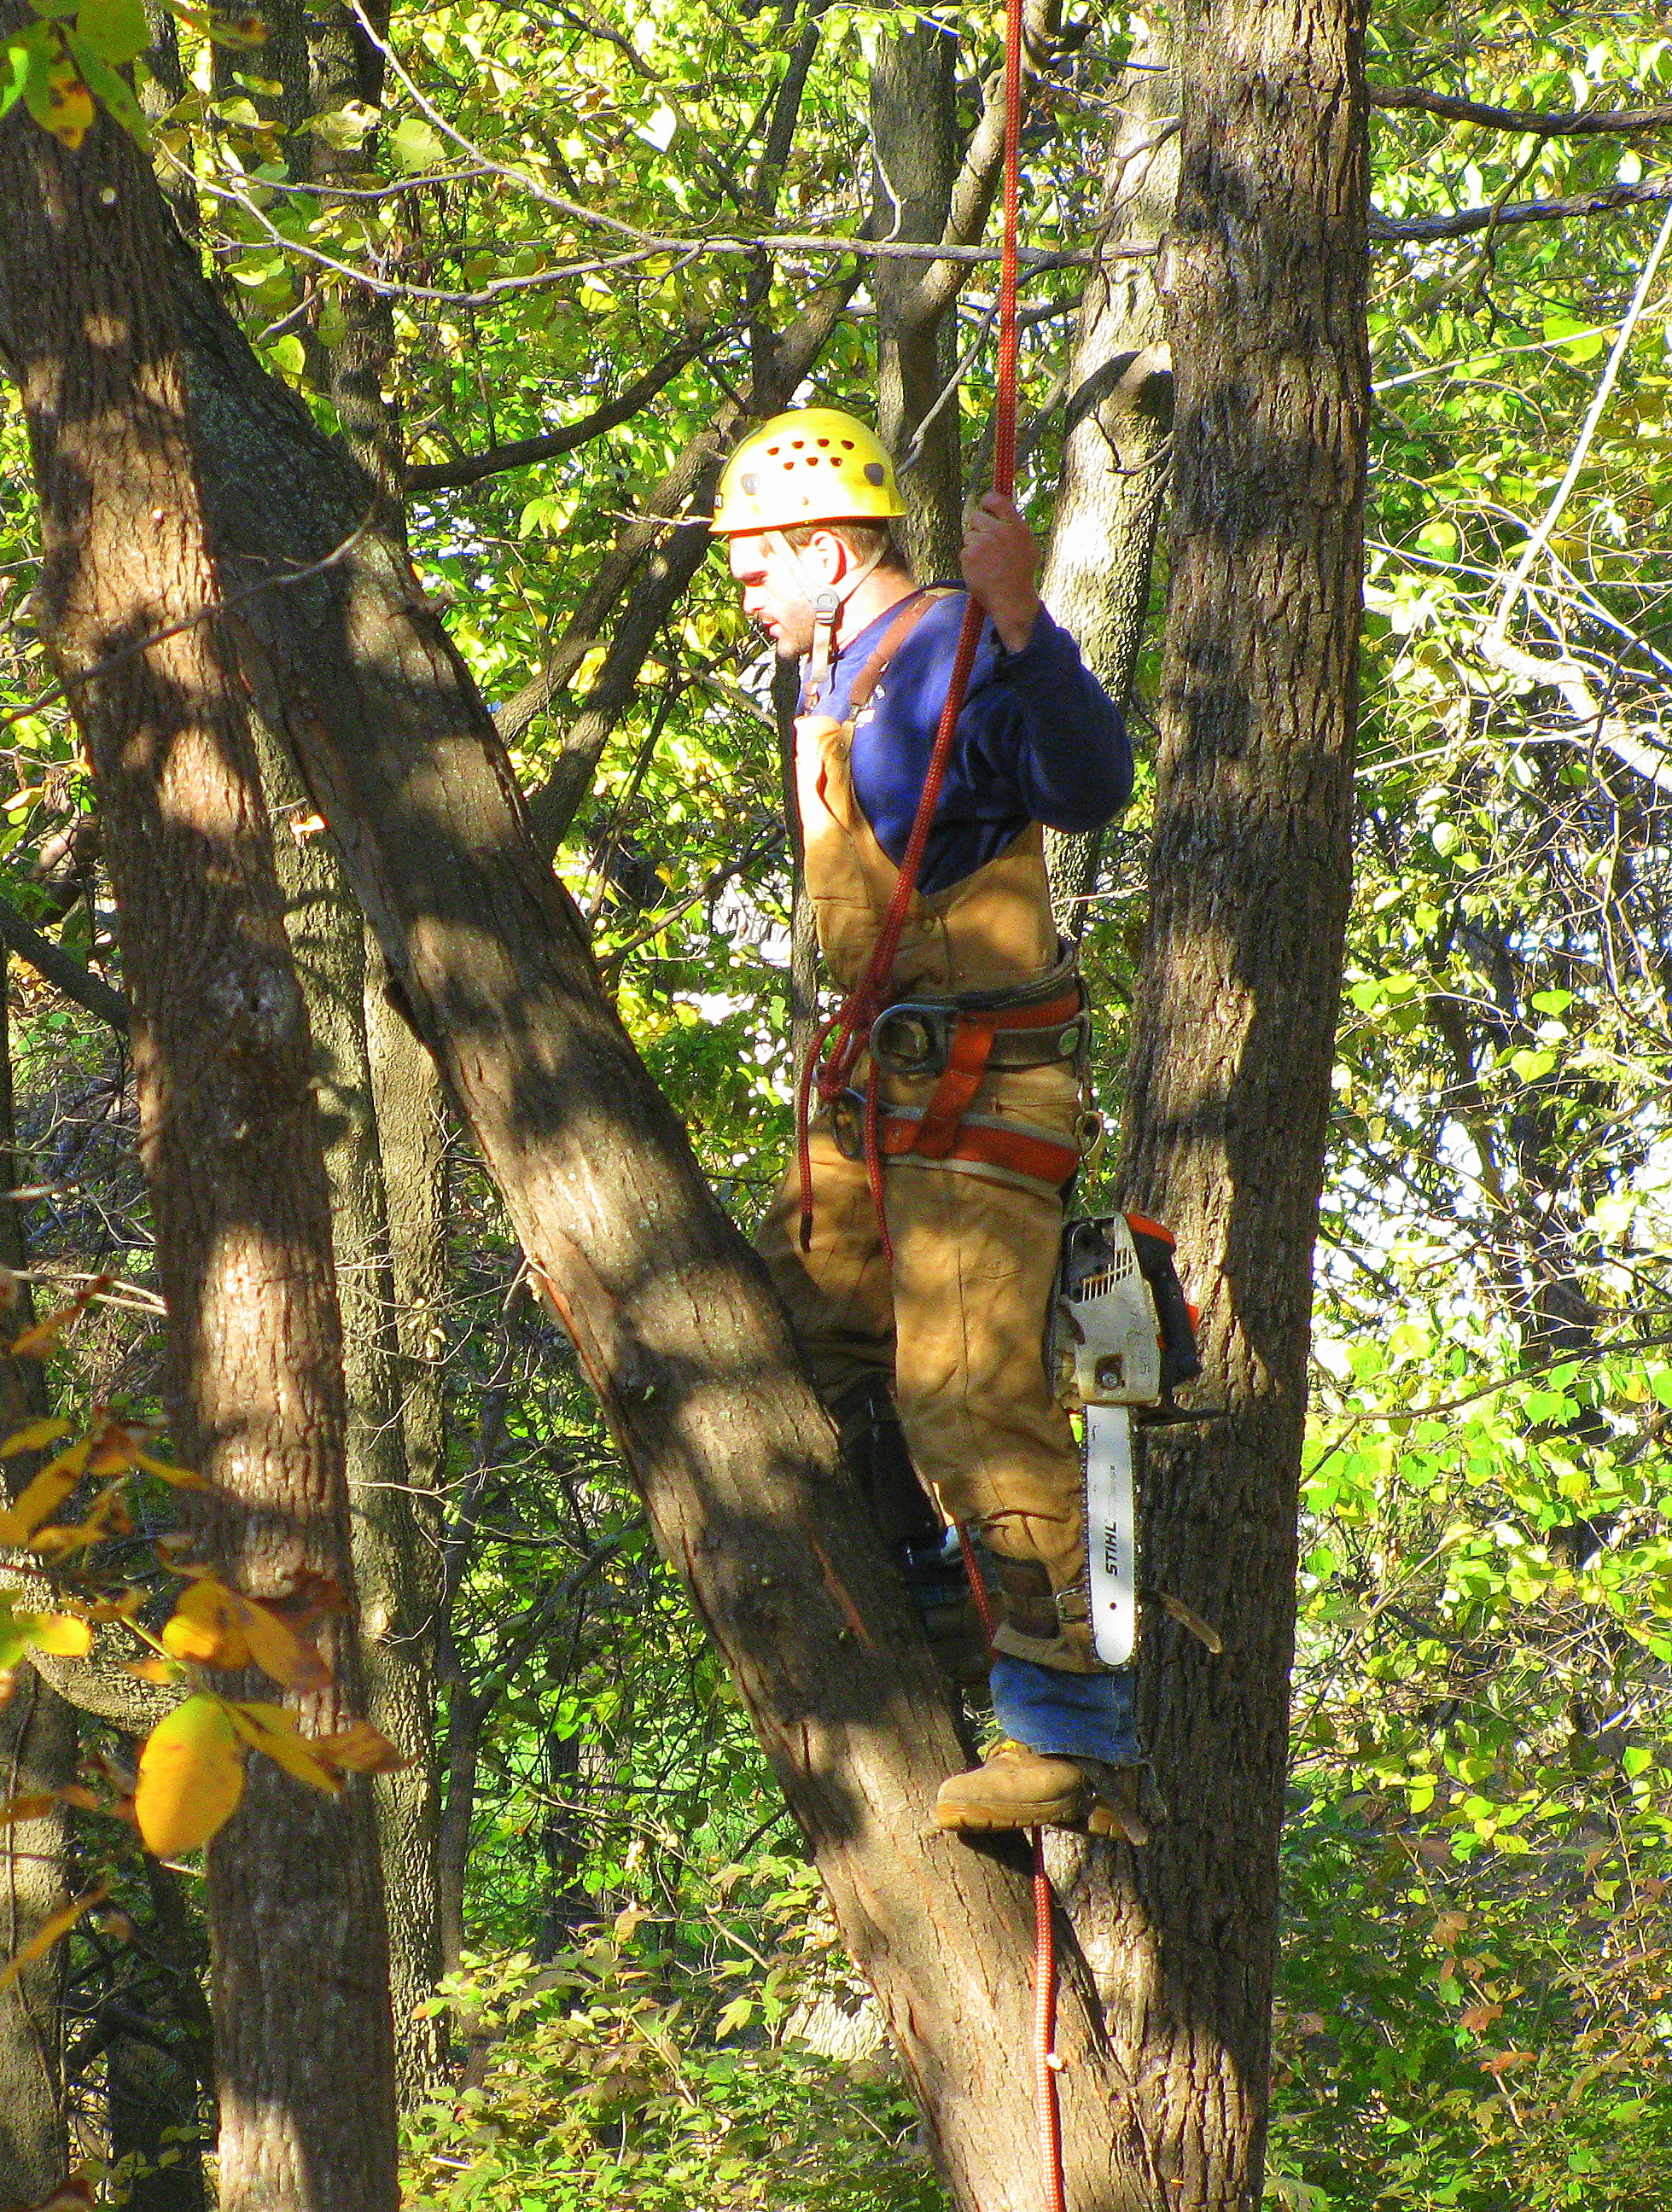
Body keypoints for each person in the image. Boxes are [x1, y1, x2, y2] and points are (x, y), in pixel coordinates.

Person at [712, 406, 1138, 1833]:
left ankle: (1070, 1730)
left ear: (829, 552)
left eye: (760, 574)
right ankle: (922, 1590)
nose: (750, 602)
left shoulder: (954, 652)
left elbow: (1088, 785)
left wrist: (1029, 625)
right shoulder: (840, 676)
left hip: (975, 1094)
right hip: (876, 1095)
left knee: (970, 1390)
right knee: (799, 1340)